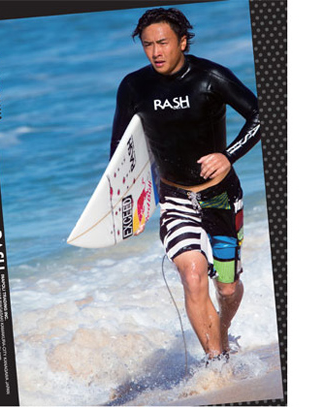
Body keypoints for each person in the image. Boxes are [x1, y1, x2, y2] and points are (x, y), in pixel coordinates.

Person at [110, 8, 261, 362]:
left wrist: (228, 155)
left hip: (221, 197)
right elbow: (119, 149)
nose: (155, 52)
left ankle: (222, 330)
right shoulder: (134, 86)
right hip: (175, 197)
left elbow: (260, 115)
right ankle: (216, 364)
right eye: (148, 45)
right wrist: (129, 204)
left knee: (227, 287)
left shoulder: (211, 77)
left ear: (182, 41)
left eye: (162, 42)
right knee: (193, 275)